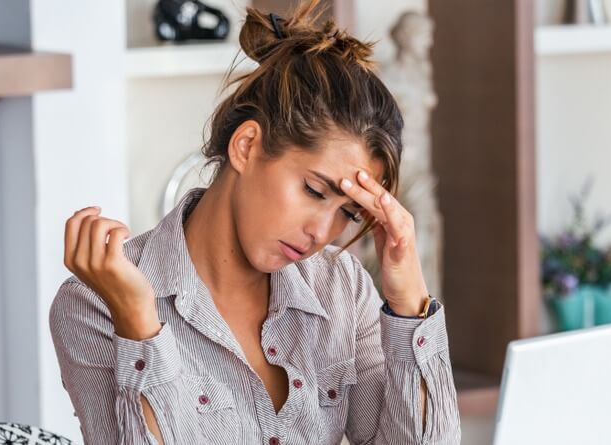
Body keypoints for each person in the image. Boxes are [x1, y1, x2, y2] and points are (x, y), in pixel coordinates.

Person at [49, 1, 461, 443]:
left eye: (348, 211)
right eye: (315, 191)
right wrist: (137, 323)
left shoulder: (342, 290)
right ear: (246, 145)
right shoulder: (94, 306)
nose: (322, 233)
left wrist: (408, 303)